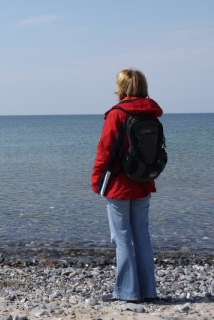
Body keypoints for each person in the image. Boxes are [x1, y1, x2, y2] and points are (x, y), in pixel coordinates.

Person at [91, 68, 162, 302]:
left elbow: (105, 150)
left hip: (119, 185)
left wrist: (96, 180)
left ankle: (128, 292)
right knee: (141, 234)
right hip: (143, 181)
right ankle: (148, 290)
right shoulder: (151, 114)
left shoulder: (117, 114)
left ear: (121, 88)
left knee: (121, 237)